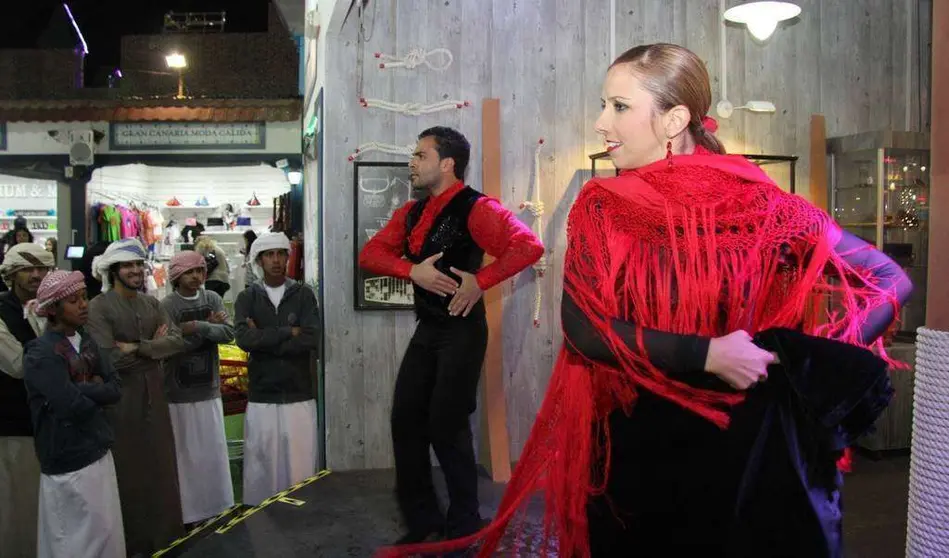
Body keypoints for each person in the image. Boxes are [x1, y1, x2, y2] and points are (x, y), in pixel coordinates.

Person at [380, 45, 913, 558]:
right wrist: (722, 356)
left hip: (716, 446)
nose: (600, 122)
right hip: (645, 445)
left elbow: (887, 278)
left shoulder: (757, 201)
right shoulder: (606, 204)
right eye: (603, 104)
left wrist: (799, 362)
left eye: (619, 106)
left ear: (675, 119)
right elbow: (583, 326)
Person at [359, 126, 544, 545]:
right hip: (429, 329)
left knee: (446, 426)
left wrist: (481, 280)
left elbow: (528, 246)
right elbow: (370, 255)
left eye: (420, 155)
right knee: (405, 421)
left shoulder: (477, 208)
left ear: (447, 163)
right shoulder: (410, 212)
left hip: (462, 330)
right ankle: (423, 522)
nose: (412, 161)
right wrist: (413, 270)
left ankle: (464, 524)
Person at [86, 238, 186, 556]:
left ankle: (165, 539)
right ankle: (129, 544)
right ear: (113, 270)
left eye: (138, 265)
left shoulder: (152, 304)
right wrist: (153, 350)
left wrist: (136, 346)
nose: (135, 271)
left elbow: (177, 341)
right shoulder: (98, 308)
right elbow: (109, 359)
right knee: (127, 473)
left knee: (160, 469)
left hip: (155, 398)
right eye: (128, 265)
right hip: (120, 404)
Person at [24, 271, 125, 558]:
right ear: (53, 309)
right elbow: (70, 406)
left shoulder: (87, 340)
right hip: (67, 459)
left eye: (84, 298)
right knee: (74, 541)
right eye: (73, 300)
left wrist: (79, 387)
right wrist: (92, 388)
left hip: (98, 449)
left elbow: (116, 388)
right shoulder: (40, 354)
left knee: (105, 532)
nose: (83, 305)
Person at [234, 232, 321, 506]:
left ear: (287, 257)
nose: (275, 260)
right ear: (259, 260)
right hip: (262, 394)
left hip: (299, 394)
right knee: (262, 464)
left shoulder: (304, 294)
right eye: (269, 255)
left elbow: (310, 338)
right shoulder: (247, 298)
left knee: (301, 465)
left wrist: (265, 338)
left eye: (280, 254)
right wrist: (287, 332)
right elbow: (244, 340)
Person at [160, 251, 235, 526]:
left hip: (209, 389)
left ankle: (216, 506)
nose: (196, 277)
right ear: (177, 275)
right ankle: (188, 513)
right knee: (185, 455)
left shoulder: (212, 299)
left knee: (212, 451)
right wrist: (204, 332)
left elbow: (228, 333)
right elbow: (170, 345)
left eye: (200, 271)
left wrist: (195, 326)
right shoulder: (167, 305)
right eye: (190, 272)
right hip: (177, 394)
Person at [0, 243, 53, 557]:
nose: (35, 275)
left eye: (42, 268)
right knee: (18, 506)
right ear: (12, 273)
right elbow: (19, 365)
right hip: (14, 424)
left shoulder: (51, 305)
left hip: (51, 423)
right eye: (27, 269)